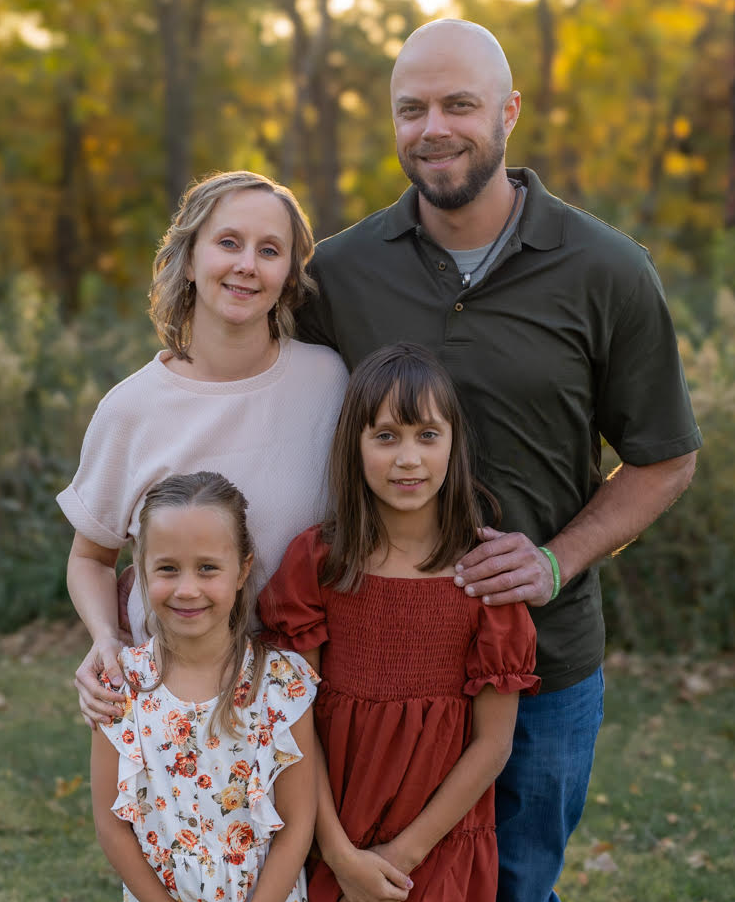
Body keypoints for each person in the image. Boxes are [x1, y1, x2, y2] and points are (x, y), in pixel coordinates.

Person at [295, 19, 702, 902]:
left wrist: (556, 559)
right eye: (411, 109)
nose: (433, 128)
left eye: (458, 105)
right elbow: (262, 396)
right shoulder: (339, 272)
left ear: (508, 112)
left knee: (515, 885)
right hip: (374, 670)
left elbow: (663, 459)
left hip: (542, 663)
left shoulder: (607, 269)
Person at [57, 170, 348, 727]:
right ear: (189, 260)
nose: (247, 265)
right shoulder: (131, 408)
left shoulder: (330, 382)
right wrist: (105, 638)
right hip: (171, 703)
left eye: (269, 250)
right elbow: (90, 558)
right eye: (229, 243)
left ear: (289, 277)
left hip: (304, 699)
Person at [259, 344, 540, 902]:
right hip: (329, 831)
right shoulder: (317, 564)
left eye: (427, 435)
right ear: (355, 446)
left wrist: (401, 857)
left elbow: (493, 744)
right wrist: (339, 855)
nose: (408, 458)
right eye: (386, 436)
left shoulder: (485, 578)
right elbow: (293, 720)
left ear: (454, 443)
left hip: (439, 844)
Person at [91, 471, 319, 902]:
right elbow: (111, 826)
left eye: (208, 568)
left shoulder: (280, 685)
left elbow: (297, 823)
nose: (187, 589)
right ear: (142, 570)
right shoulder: (122, 686)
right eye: (168, 569)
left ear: (242, 570)